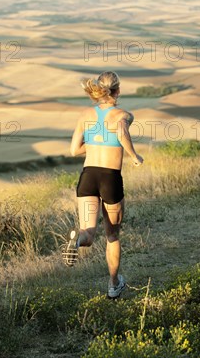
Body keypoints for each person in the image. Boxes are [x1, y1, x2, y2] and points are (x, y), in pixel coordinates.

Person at [63, 71, 143, 299]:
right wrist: (134, 155)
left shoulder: (85, 115)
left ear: (99, 90)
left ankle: (76, 241)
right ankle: (113, 284)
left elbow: (73, 150)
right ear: (118, 91)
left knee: (88, 233)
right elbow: (121, 131)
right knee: (112, 236)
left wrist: (96, 143)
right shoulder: (124, 114)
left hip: (88, 177)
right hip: (110, 178)